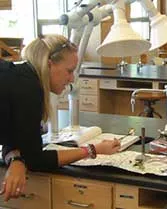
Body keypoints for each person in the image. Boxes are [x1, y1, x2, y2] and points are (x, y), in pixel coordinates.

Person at [0, 34, 121, 201]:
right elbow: (36, 160)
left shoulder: (20, 77)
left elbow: (12, 137)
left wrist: (16, 159)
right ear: (49, 64)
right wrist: (92, 150)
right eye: (69, 71)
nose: (71, 78)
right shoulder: (28, 89)